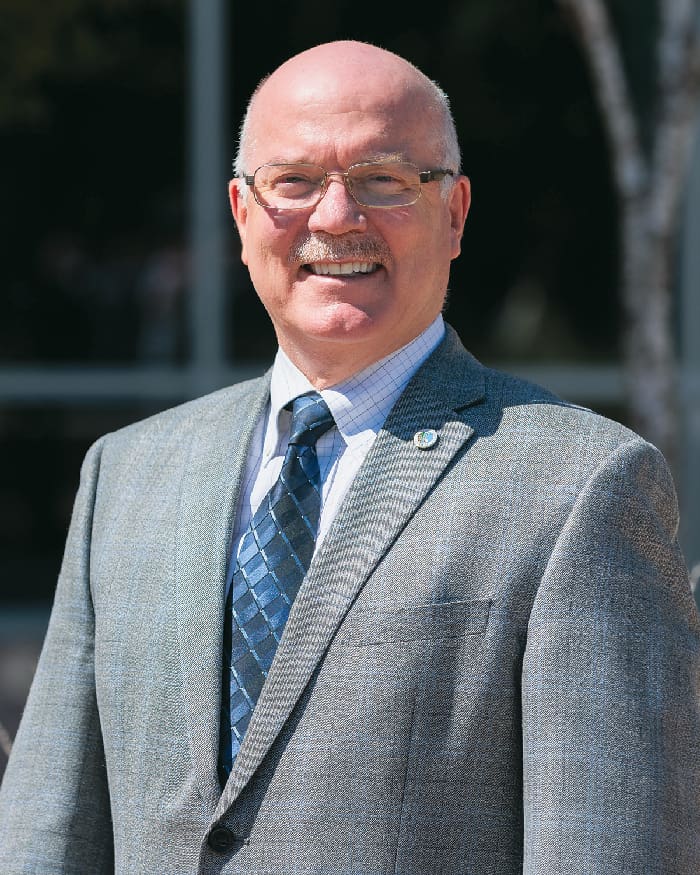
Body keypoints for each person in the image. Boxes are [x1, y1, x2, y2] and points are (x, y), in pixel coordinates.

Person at [0, 40, 698, 875]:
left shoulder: (584, 484)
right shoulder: (126, 475)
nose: (335, 217)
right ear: (242, 213)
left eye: (383, 179)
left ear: (455, 214)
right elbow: (44, 839)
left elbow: (606, 850)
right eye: (294, 181)